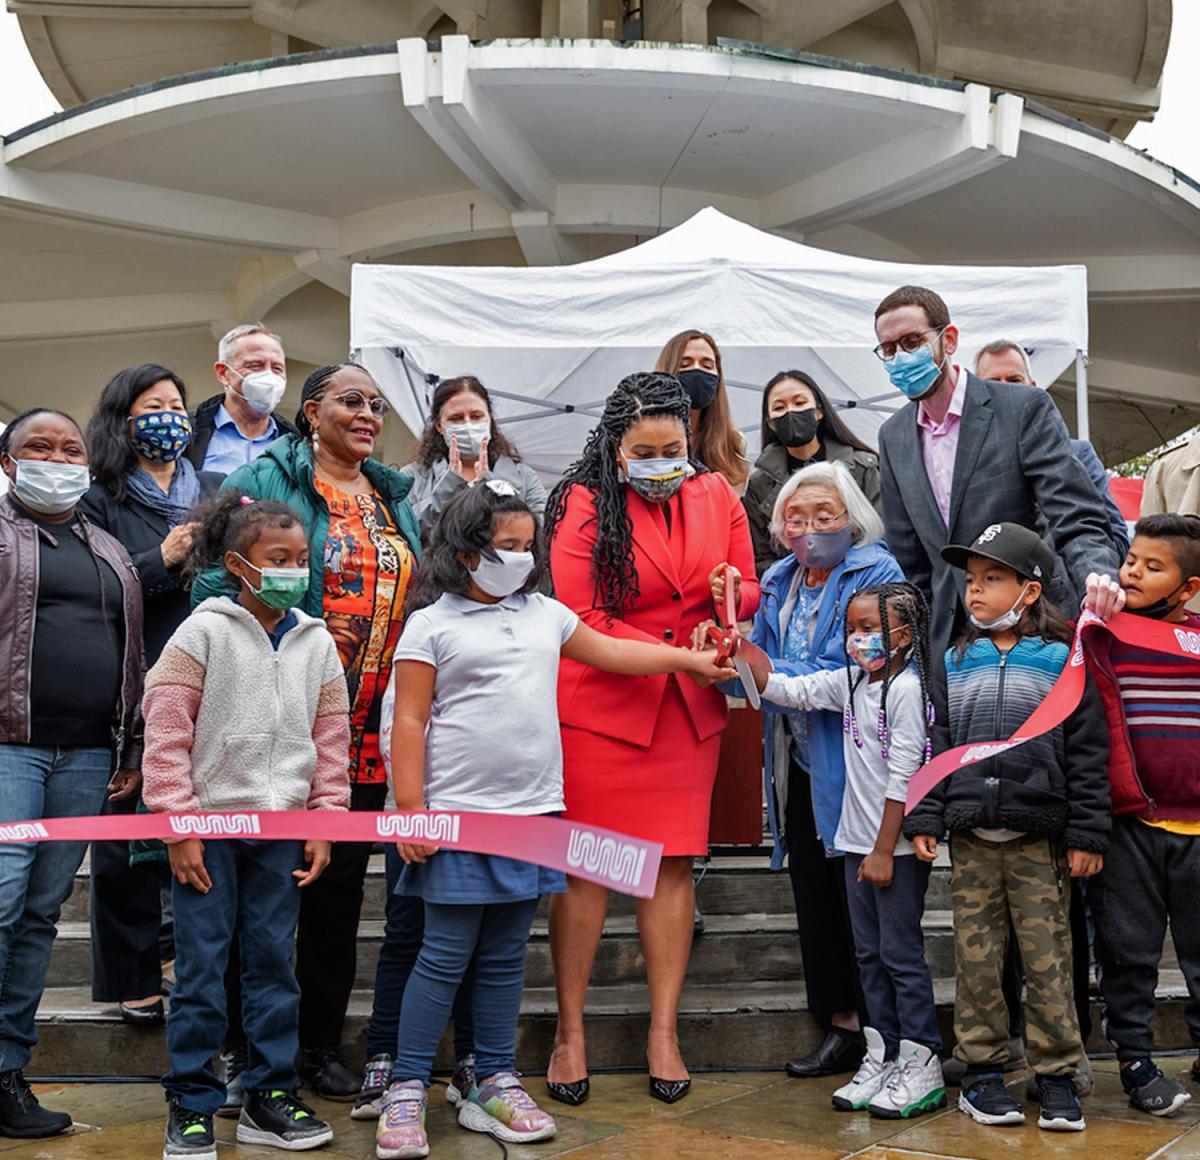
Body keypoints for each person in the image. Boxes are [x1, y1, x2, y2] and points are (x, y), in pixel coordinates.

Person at [374, 481, 729, 1159]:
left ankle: (495, 1080)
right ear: (464, 551)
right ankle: (408, 1084)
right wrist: (411, 810)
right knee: (445, 953)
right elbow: (410, 719)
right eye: (503, 547)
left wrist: (686, 659)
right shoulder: (432, 624)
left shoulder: (545, 614)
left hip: (532, 815)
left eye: (524, 546)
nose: (518, 557)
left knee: (507, 955)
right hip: (454, 822)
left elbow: (614, 653)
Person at [192, 363, 422, 1101]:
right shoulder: (267, 476)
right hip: (276, 717)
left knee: (336, 897)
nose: (367, 414)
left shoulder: (392, 495)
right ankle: (236, 1047)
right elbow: (211, 576)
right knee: (252, 893)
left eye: (377, 405)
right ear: (312, 410)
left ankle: (317, 1047)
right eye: (352, 401)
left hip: (364, 734)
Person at [543, 372, 759, 1105]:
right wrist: (679, 656)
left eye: (675, 447)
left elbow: (747, 588)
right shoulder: (580, 503)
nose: (663, 462)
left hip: (688, 714)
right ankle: (569, 1032)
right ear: (616, 446)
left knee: (671, 868)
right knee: (589, 870)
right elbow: (581, 620)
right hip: (606, 706)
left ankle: (662, 1030)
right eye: (646, 450)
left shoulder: (717, 495)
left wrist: (727, 606)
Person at [143, 493, 351, 1159]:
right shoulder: (201, 632)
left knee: (272, 964)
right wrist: (178, 825)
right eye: (276, 559)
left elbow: (332, 742)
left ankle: (269, 1093)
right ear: (238, 564)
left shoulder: (317, 643)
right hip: (207, 833)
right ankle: (193, 1101)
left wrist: (326, 824)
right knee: (202, 968)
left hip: (282, 833)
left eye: (299, 559)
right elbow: (166, 732)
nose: (292, 570)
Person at [905, 522, 1110, 1133]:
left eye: (992, 579)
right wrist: (928, 815)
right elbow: (939, 742)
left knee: (1049, 960)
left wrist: (1086, 834)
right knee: (977, 961)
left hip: (1038, 839)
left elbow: (1088, 750)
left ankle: (1057, 1075)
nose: (975, 592)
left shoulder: (1062, 661)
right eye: (970, 581)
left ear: (1029, 590)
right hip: (971, 840)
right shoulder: (956, 658)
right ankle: (984, 1074)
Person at [701, 460, 902, 1080]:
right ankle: (842, 1026)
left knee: (864, 894)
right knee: (814, 888)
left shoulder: (878, 569)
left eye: (824, 514)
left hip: (855, 755)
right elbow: (758, 655)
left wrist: (773, 671)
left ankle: (889, 1033)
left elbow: (853, 661)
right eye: (795, 516)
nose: (809, 527)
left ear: (853, 519)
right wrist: (729, 634)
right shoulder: (782, 575)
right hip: (792, 752)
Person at [738, 582, 944, 1119]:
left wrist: (881, 850)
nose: (858, 640)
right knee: (868, 957)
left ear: (904, 634)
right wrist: (738, 653)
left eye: (870, 629)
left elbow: (904, 776)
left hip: (890, 849)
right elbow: (792, 690)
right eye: (852, 629)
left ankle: (922, 1061)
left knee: (900, 955)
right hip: (855, 844)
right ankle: (883, 1053)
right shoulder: (853, 682)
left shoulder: (907, 690)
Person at [0, 409, 143, 1139]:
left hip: (87, 754)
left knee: (38, 916)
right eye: (38, 447)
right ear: (6, 463)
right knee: (0, 903)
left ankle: (6, 1075)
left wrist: (129, 748)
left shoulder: (108, 549)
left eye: (69, 449)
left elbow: (130, 652)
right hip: (9, 750)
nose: (56, 459)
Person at [80, 363, 224, 1027]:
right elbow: (93, 592)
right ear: (123, 418)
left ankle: (187, 962)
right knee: (124, 839)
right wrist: (158, 563)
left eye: (176, 404)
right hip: (131, 684)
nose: (167, 416)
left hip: (212, 679)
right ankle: (134, 977)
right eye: (151, 406)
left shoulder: (217, 492)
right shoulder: (99, 500)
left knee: (202, 830)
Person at [873, 286, 1121, 662]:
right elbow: (911, 561)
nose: (900, 357)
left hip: (1036, 628)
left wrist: (1098, 576)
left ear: (949, 339)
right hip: (951, 643)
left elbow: (1076, 515)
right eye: (888, 350)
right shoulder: (893, 437)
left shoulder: (1022, 408)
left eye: (911, 342)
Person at [1084, 515, 1200, 1114]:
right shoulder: (1103, 632)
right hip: (1129, 827)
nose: (1132, 571)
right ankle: (1135, 1060)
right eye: (1131, 559)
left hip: (1197, 833)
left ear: (1188, 589)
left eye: (1154, 568)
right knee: (1128, 953)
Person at [974, 340, 1128, 561]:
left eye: (1015, 381)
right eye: (993, 384)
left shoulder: (1078, 455)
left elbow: (1117, 541)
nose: (1006, 391)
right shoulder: (964, 465)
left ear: (1034, 388)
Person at [744, 370, 881, 577]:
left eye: (799, 403)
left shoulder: (862, 467)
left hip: (858, 583)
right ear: (770, 423)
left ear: (819, 412)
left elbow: (879, 535)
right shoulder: (760, 484)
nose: (790, 412)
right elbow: (761, 557)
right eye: (779, 407)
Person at [401, 375, 546, 540]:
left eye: (476, 416)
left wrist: (493, 491)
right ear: (439, 426)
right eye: (456, 418)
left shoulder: (524, 477)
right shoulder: (412, 477)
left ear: (490, 420)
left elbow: (541, 533)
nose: (468, 425)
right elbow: (404, 532)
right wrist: (446, 492)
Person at [185, 323, 298, 477]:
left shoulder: (296, 444)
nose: (269, 376)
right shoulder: (188, 432)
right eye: (255, 365)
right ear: (223, 373)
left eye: (277, 368)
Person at [655, 329, 749, 491]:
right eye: (685, 364)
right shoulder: (642, 435)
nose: (697, 371)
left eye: (707, 365)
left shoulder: (733, 443)